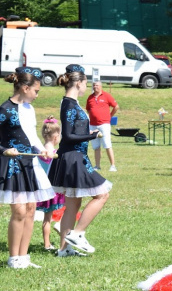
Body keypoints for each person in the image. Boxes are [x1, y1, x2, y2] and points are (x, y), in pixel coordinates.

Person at [49, 64, 112, 256]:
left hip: (76, 157)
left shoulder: (72, 103)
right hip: (74, 159)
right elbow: (67, 136)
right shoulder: (69, 104)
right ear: (78, 83)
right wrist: (91, 136)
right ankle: (78, 233)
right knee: (102, 194)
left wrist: (87, 134)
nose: (87, 87)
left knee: (73, 205)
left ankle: (63, 250)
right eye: (86, 83)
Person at [1, 67, 55, 268]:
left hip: (29, 163)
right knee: (19, 211)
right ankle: (13, 258)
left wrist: (44, 150)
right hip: (13, 165)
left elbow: (32, 137)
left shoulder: (29, 109)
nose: (37, 95)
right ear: (25, 88)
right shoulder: (5, 110)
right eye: (36, 91)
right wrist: (5, 149)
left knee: (31, 209)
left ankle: (23, 257)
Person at [36, 116, 65, 252]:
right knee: (51, 216)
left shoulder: (38, 152)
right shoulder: (55, 154)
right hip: (53, 189)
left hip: (41, 188)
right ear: (56, 137)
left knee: (46, 218)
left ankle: (47, 244)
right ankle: (58, 230)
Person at [85, 81, 118, 172]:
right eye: (94, 85)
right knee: (96, 146)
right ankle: (97, 165)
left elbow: (116, 106)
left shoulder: (106, 96)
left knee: (107, 144)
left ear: (101, 86)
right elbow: (88, 109)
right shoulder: (90, 97)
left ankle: (113, 165)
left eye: (97, 85)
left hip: (104, 124)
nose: (95, 87)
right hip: (93, 125)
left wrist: (110, 116)